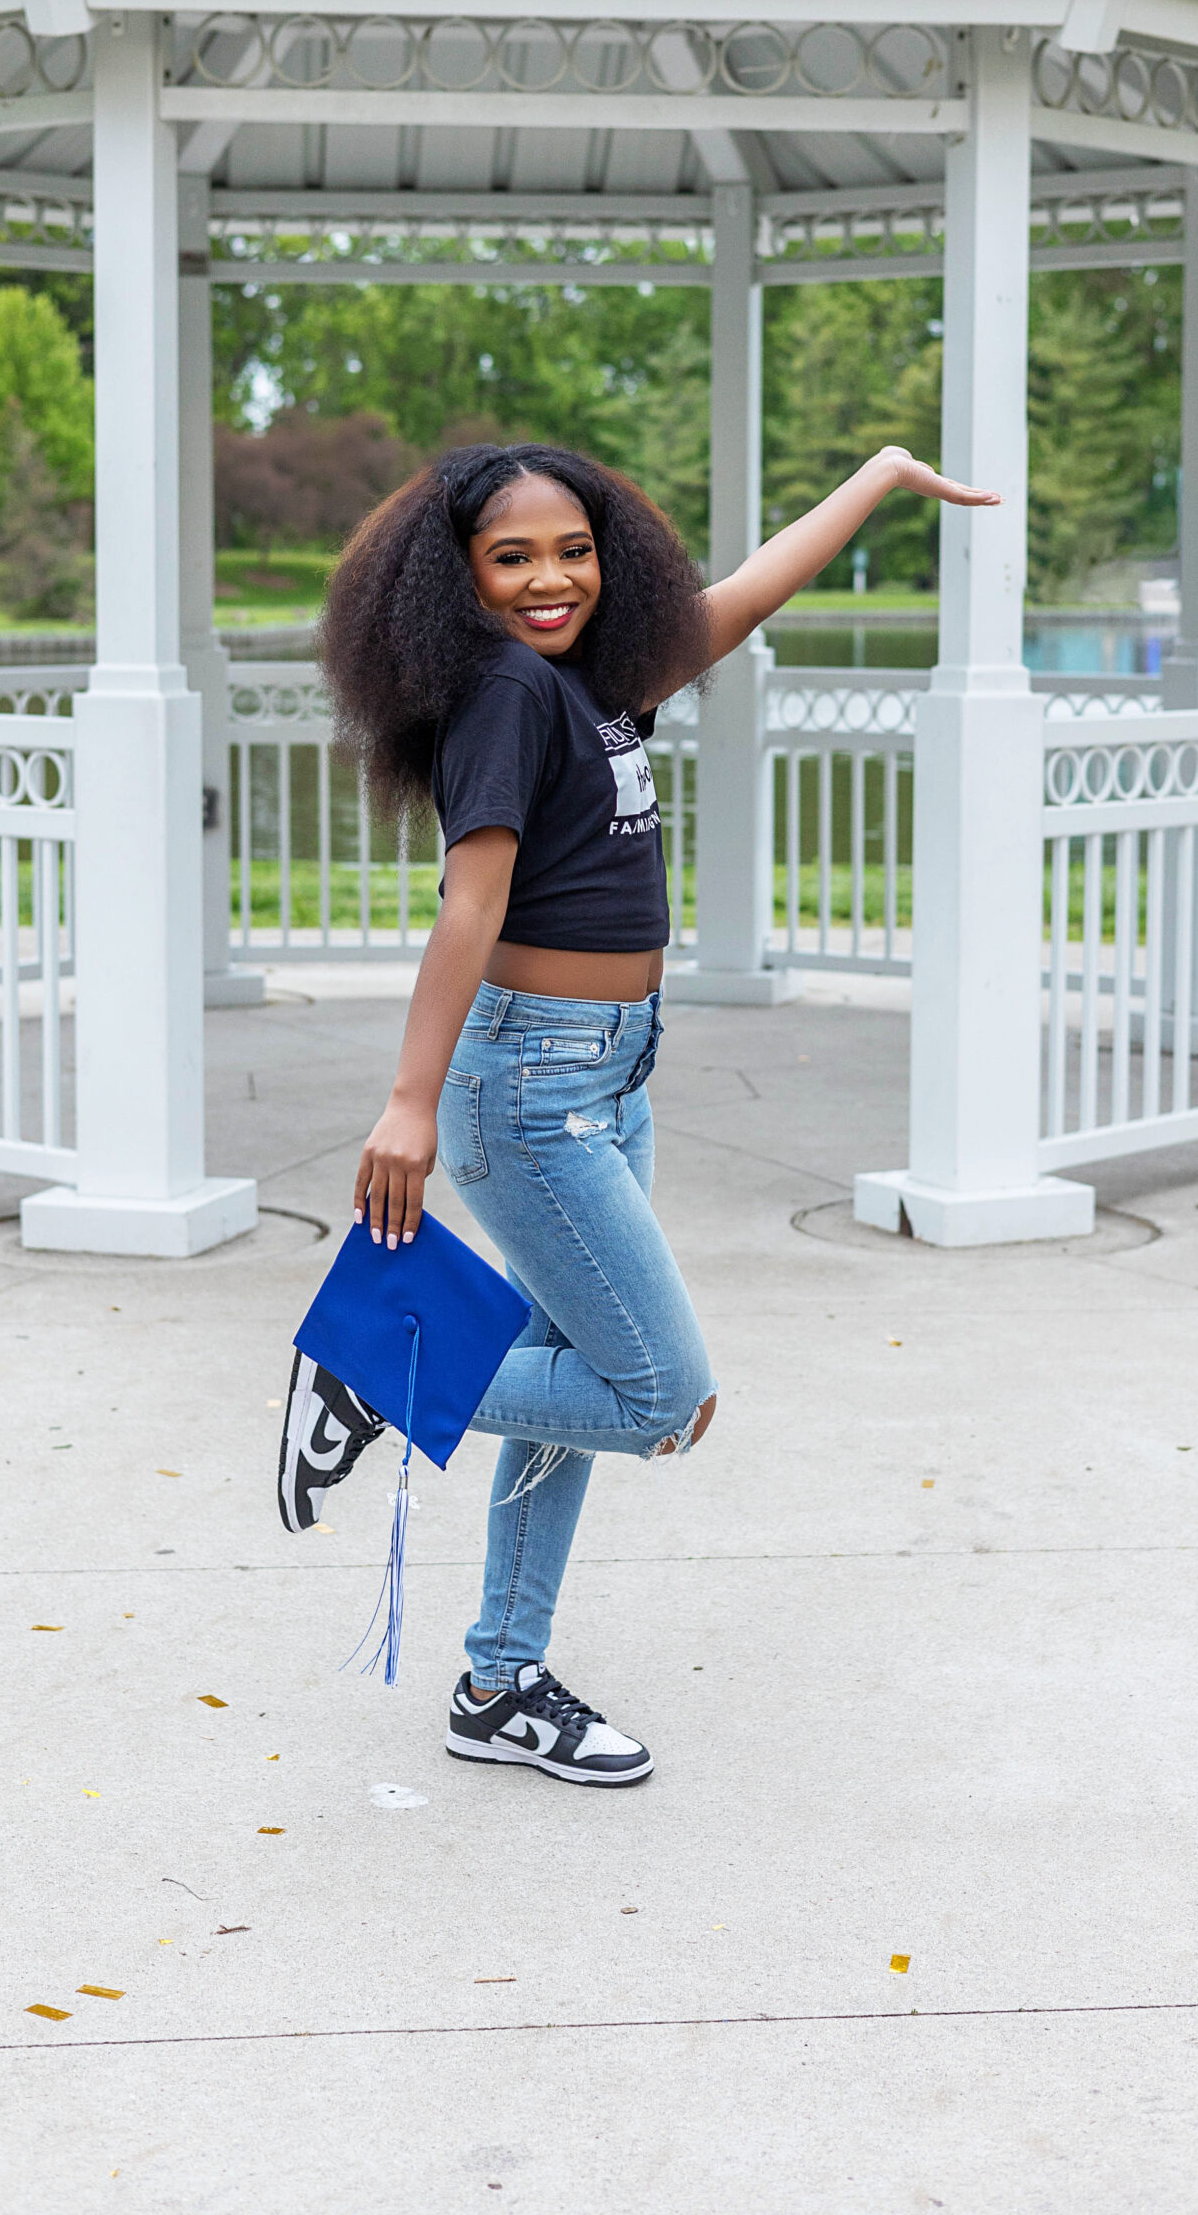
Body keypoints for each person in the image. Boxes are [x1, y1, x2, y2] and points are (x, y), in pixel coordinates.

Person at [277, 438, 999, 1785]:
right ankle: (381, 1369)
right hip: (536, 1089)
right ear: (460, 580)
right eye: (513, 558)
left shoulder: (584, 678)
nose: (551, 579)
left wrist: (882, 477)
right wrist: (406, 1103)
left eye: (575, 551)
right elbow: (470, 904)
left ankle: (499, 1686)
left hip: (609, 1075)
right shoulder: (502, 693)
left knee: (566, 1403)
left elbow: (737, 601)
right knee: (658, 1395)